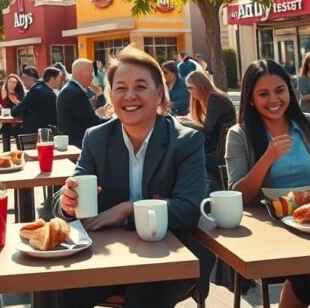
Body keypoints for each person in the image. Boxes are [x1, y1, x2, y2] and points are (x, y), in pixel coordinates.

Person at [54, 46, 211, 307]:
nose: (130, 96)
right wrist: (67, 202)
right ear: (110, 95)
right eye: (120, 88)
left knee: (144, 298)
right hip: (108, 257)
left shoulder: (186, 141)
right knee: (54, 292)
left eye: (140, 86)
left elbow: (188, 210)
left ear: (159, 92)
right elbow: (71, 192)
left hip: (169, 256)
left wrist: (129, 209)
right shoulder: (97, 138)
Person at [226, 59, 310, 307]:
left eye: (280, 91)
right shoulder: (239, 134)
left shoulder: (307, 124)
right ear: (250, 99)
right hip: (268, 227)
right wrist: (267, 158)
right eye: (263, 94)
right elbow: (237, 195)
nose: (274, 99)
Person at [182, 70, 236, 174]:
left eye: (190, 87)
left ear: (200, 86)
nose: (189, 91)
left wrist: (186, 123)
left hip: (216, 151)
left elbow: (207, 130)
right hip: (212, 146)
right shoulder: (205, 100)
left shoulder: (216, 99)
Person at [57, 59, 109, 148]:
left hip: (74, 142)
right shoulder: (75, 92)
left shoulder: (71, 88)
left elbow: (83, 116)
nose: (93, 76)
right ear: (81, 72)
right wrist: (116, 120)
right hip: (78, 145)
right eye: (91, 72)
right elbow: (92, 122)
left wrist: (97, 113)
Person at [11, 66, 61, 136]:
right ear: (52, 79)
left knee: (6, 130)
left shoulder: (37, 91)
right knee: (7, 130)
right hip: (46, 132)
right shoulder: (43, 91)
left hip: (36, 134)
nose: (61, 81)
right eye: (59, 78)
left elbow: (15, 112)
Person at [0, 73, 26, 144]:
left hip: (19, 121)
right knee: (5, 130)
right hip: (7, 121)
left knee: (16, 130)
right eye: (10, 82)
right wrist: (0, 108)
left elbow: (23, 105)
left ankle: (19, 149)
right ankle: (6, 151)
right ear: (7, 82)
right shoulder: (2, 91)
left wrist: (15, 100)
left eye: (14, 82)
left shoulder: (20, 92)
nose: (11, 84)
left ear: (17, 83)